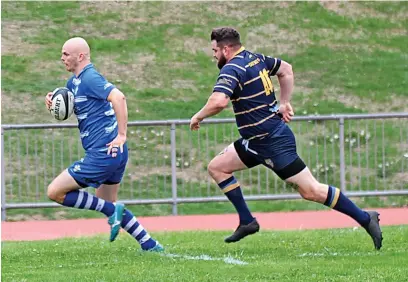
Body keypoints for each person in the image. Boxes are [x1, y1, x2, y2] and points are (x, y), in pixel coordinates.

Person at [190, 27, 383, 250]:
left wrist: (198, 116)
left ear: (225, 48)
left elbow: (219, 102)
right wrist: (284, 102)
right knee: (217, 167)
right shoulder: (255, 58)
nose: (213, 55)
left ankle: (366, 218)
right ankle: (247, 221)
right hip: (254, 142)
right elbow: (286, 69)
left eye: (214, 50)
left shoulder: (232, 69)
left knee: (311, 191)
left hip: (272, 142)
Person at [45, 37, 163, 252]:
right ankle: (150, 244)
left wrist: (122, 134)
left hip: (103, 152)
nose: (61, 58)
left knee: (55, 192)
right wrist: (53, 102)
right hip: (114, 153)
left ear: (80, 56)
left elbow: (119, 97)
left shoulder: (90, 78)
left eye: (65, 54)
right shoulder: (73, 83)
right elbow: (69, 105)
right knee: (105, 202)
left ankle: (114, 210)